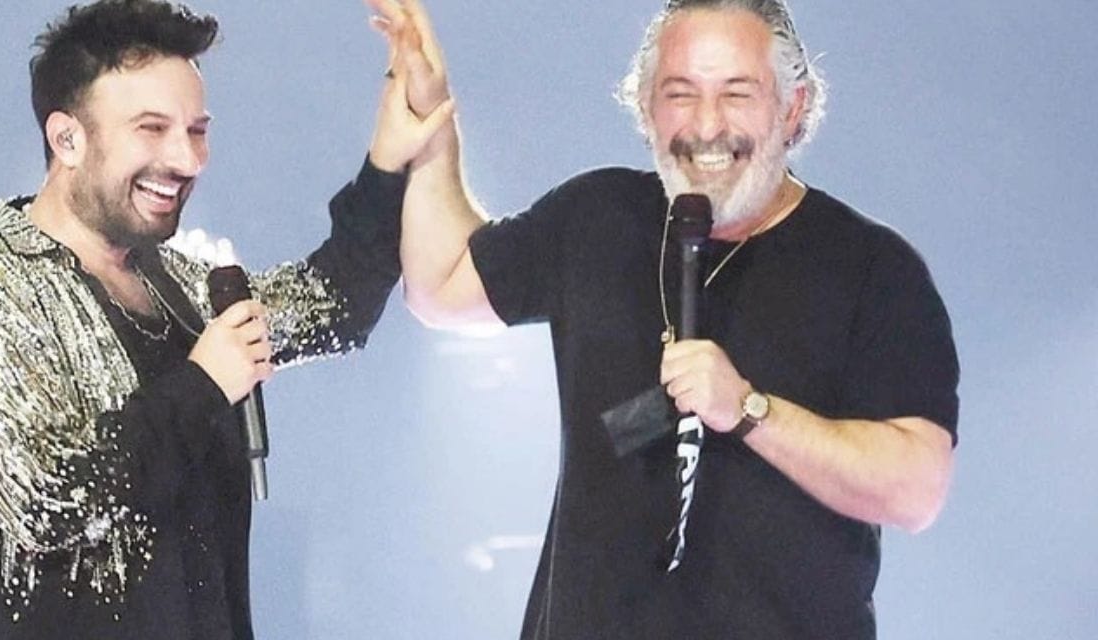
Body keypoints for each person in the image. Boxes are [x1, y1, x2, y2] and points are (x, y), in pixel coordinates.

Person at [368, 0, 960, 637]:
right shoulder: (599, 216)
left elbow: (915, 490)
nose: (707, 125)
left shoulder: (871, 268)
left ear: (792, 109)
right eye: (680, 93)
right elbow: (441, 283)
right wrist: (431, 115)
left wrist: (750, 411)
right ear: (646, 107)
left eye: (737, 93)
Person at [0, 1, 450, 638]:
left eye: (196, 131)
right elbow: (49, 497)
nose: (189, 159)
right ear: (67, 139)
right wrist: (205, 386)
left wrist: (388, 160)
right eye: (153, 129)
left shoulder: (183, 284)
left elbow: (331, 304)